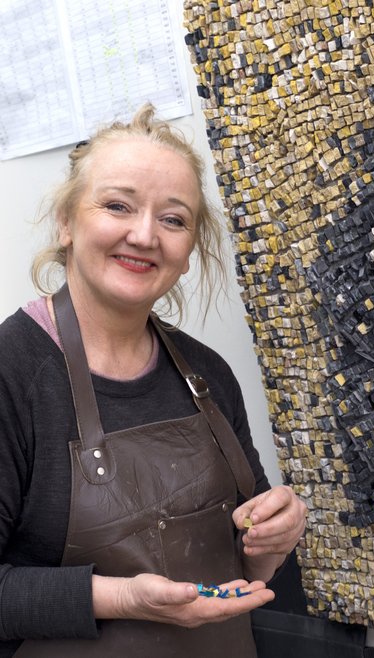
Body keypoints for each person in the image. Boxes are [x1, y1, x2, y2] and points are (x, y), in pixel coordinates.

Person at [0, 103, 307, 657]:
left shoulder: (207, 374)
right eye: (118, 205)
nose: (144, 235)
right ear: (66, 223)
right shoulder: (12, 373)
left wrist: (271, 540)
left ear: (188, 252)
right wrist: (124, 598)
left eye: (173, 219)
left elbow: (247, 555)